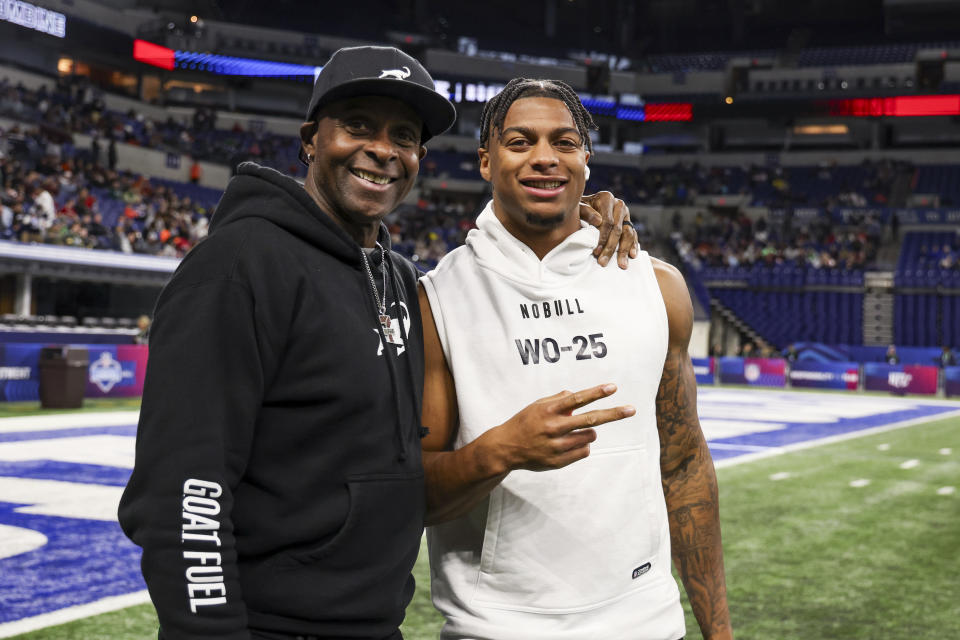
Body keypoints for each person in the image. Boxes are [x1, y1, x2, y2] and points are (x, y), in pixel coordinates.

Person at [119, 48, 638, 640]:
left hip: (372, 623)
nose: (384, 150)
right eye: (359, 126)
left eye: (405, 136)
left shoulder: (395, 277)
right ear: (312, 138)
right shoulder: (239, 267)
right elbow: (183, 493)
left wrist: (586, 213)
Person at [419, 79, 733, 640]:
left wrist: (720, 633)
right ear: (486, 162)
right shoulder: (437, 298)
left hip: (648, 626)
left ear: (586, 160)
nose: (545, 157)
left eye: (564, 142)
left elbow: (683, 466)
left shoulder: (658, 286)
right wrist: (501, 451)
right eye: (520, 142)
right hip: (496, 630)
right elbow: (412, 493)